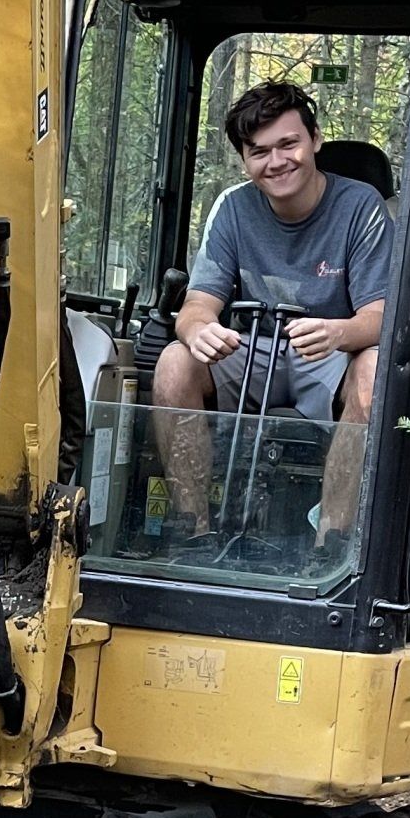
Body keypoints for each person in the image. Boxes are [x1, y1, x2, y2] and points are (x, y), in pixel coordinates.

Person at [152, 78, 387, 567]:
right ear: (244, 159)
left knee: (374, 371)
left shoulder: (361, 206)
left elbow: (380, 316)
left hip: (330, 356)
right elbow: (197, 305)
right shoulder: (233, 208)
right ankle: (192, 536)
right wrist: (199, 331)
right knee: (175, 363)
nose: (276, 161)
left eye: (288, 144)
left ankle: (331, 546)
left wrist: (338, 332)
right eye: (259, 151)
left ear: (315, 140)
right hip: (252, 350)